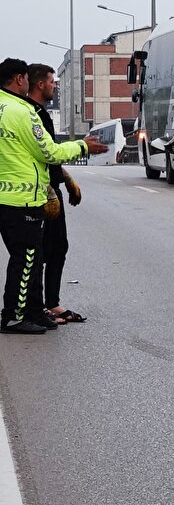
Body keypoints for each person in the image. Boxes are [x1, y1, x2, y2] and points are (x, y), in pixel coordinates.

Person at [0, 58, 106, 334]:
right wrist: (83, 146)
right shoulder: (22, 112)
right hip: (23, 198)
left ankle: (34, 311)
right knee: (26, 261)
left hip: (8, 197)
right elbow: (49, 152)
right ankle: (14, 315)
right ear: (20, 80)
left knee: (32, 259)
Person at [25, 63, 86, 325]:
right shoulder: (32, 114)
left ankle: (52, 302)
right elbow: (39, 153)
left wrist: (66, 178)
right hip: (42, 191)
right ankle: (40, 307)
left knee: (57, 247)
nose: (55, 85)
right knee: (40, 251)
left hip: (52, 185)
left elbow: (49, 153)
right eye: (52, 81)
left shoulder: (41, 113)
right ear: (40, 84)